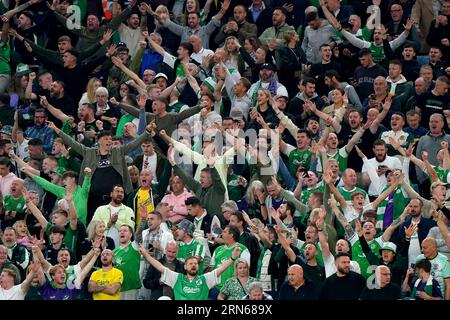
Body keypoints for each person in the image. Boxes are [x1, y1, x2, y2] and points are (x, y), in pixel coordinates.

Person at [139, 243, 242, 300]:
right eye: (190, 264)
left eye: (195, 263)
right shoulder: (177, 278)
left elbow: (221, 268)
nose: (193, 265)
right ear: (185, 267)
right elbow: (159, 266)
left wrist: (233, 257)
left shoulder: (205, 279)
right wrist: (146, 254)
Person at [112, 225, 141, 300]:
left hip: (131, 288)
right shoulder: (114, 252)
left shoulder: (135, 246)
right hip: (117, 288)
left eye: (125, 231)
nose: (122, 232)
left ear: (131, 235)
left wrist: (143, 220)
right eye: (120, 231)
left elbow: (138, 234)